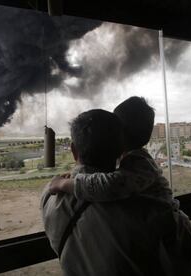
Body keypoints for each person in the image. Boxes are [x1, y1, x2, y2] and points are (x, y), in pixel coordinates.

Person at [41, 109, 172, 275]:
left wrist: (67, 182)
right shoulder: (138, 204)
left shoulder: (48, 196)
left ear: (74, 151)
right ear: (120, 151)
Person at [49, 96, 175, 207]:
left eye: (113, 125)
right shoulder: (133, 160)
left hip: (173, 229)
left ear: (122, 131)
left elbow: (108, 186)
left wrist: (63, 184)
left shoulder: (140, 163)